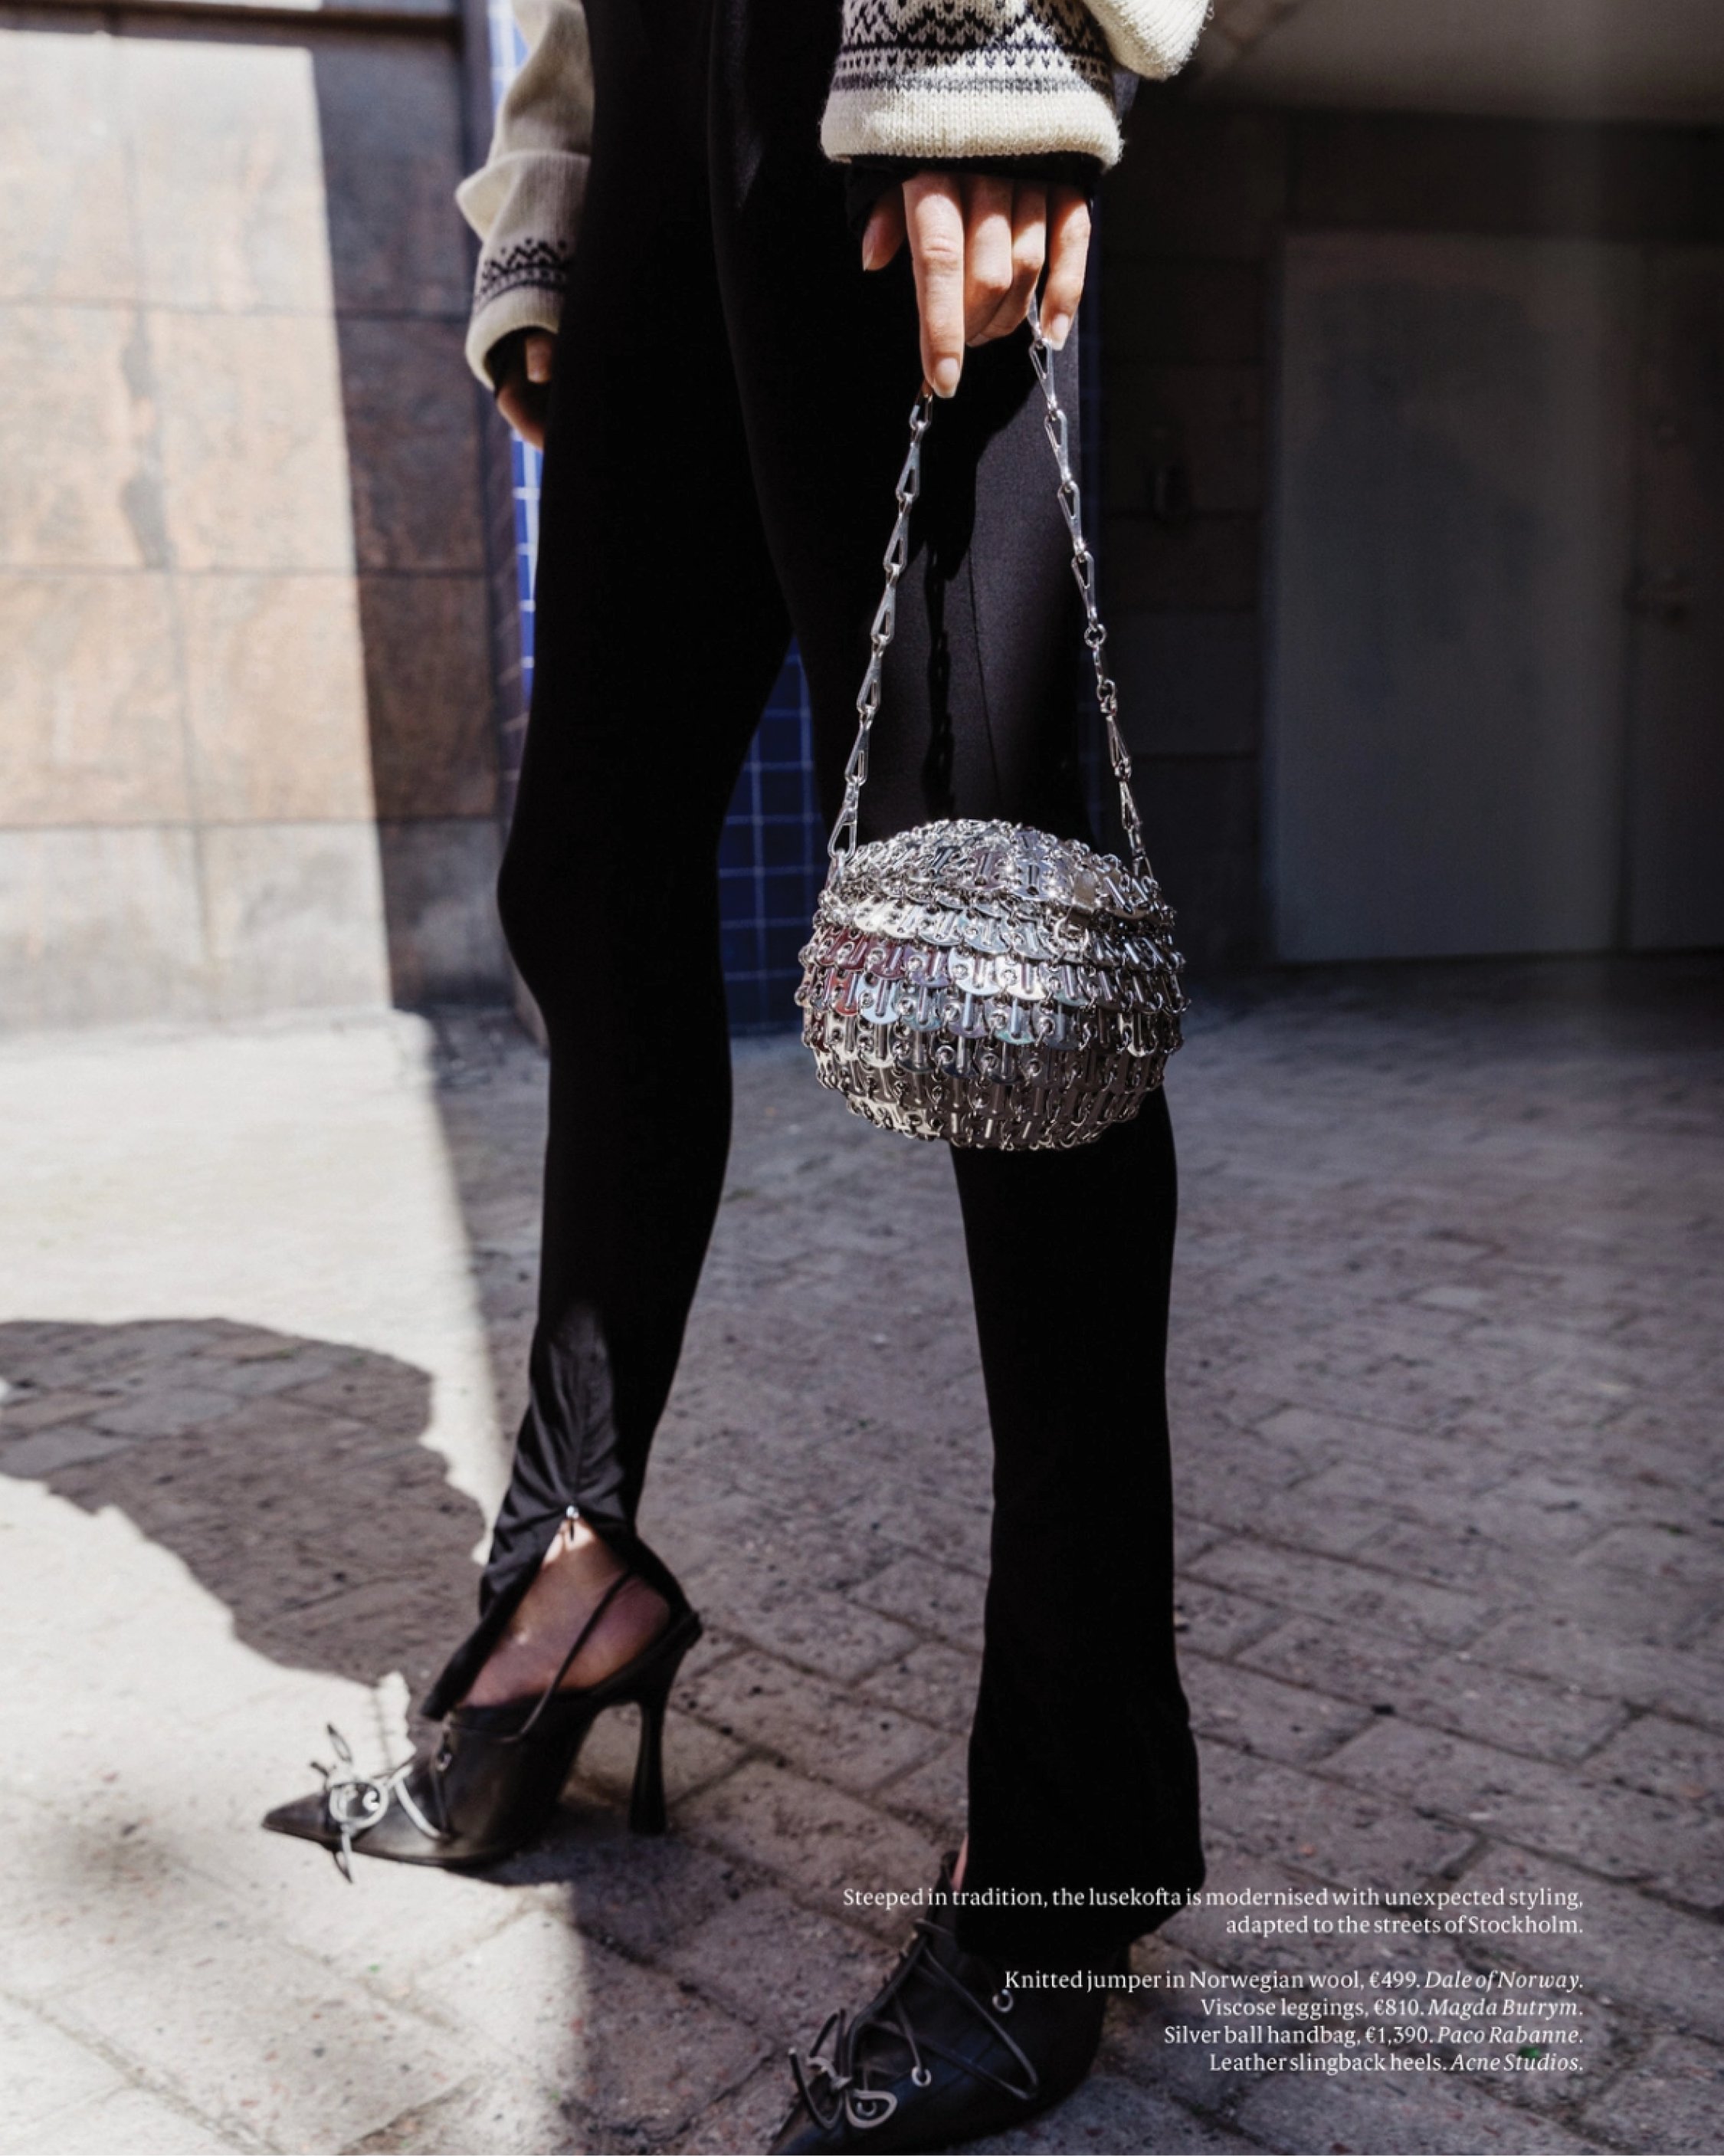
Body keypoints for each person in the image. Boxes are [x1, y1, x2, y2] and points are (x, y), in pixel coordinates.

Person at [266, 1, 1210, 2145]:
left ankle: (1070, 1831)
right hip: (657, 105)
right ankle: (569, 1578)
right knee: (586, 876)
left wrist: (1005, 34)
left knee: (1003, 954)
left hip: (876, 53)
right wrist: (554, 198)